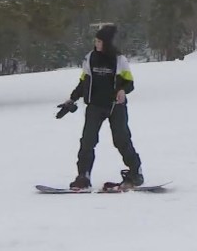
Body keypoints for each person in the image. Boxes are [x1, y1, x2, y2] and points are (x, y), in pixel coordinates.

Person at [61, 25, 144, 191]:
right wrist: (72, 99)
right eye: (96, 40)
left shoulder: (120, 60)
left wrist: (122, 90)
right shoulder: (89, 58)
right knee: (87, 142)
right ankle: (83, 176)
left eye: (99, 41)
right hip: (94, 106)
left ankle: (136, 172)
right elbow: (84, 81)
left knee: (121, 140)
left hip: (115, 107)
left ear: (107, 42)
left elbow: (130, 83)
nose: (96, 43)